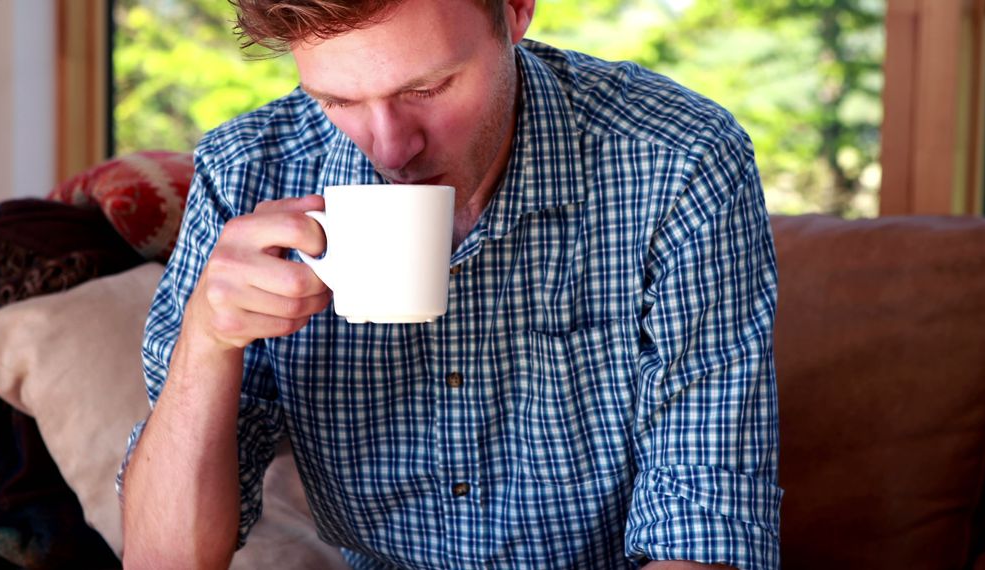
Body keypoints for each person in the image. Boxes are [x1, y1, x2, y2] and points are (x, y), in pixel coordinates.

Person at [118, 0, 783, 568]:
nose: (389, 145)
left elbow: (704, 518)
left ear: (516, 11)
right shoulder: (246, 175)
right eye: (338, 100)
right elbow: (162, 557)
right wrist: (207, 343)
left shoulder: (678, 161)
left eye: (426, 89)